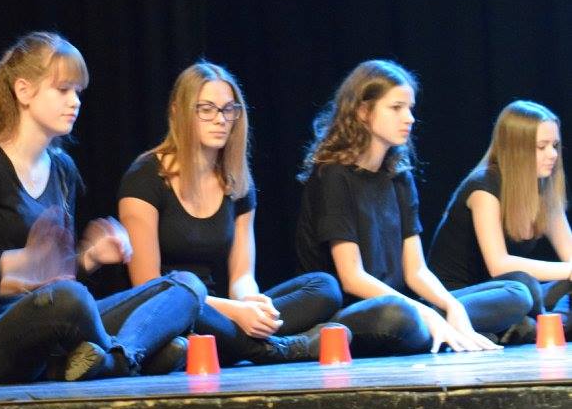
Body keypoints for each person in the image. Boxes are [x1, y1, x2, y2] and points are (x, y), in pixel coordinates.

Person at [0, 32, 206, 384]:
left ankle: (115, 358)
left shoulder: (63, 169)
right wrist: (15, 269)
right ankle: (130, 356)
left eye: (77, 92)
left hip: (50, 327)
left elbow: (57, 275)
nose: (75, 102)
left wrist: (89, 258)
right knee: (69, 299)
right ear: (24, 91)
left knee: (185, 286)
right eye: (63, 90)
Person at [295, 59, 528, 356]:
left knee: (518, 291)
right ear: (363, 112)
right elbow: (352, 278)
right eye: (396, 108)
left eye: (410, 108)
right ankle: (449, 329)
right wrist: (426, 312)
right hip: (359, 312)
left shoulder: (399, 177)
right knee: (398, 316)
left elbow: (415, 270)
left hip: (404, 304)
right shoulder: (333, 175)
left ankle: (446, 329)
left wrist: (451, 306)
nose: (409, 118)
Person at [118, 61, 343, 365]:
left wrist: (251, 304)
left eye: (228, 110)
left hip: (218, 312)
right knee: (186, 308)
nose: (220, 119)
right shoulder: (145, 177)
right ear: (178, 112)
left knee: (324, 287)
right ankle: (279, 348)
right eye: (206, 109)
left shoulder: (235, 182)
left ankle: (240, 340)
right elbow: (147, 286)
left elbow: (242, 276)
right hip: (167, 310)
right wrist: (236, 312)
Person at [429, 100, 572, 341]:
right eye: (542, 147)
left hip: (512, 294)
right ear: (516, 150)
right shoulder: (484, 186)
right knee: (523, 287)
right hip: (464, 298)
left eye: (555, 145)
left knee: (553, 288)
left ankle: (534, 327)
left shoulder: (545, 189)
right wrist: (568, 270)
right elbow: (499, 265)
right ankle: (536, 326)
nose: (553, 155)